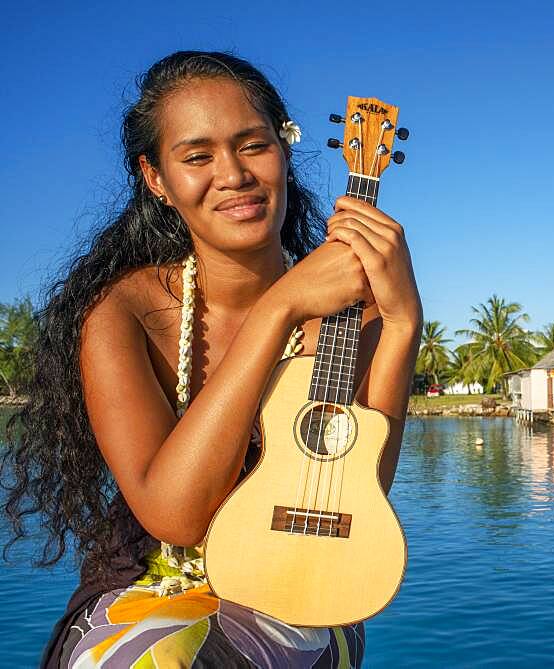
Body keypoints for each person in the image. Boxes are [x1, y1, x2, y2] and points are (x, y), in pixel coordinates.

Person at [1, 51, 421, 667]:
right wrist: (277, 310)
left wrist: (405, 323)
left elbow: (356, 501)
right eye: (197, 157)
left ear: (283, 149)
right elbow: (175, 515)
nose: (233, 174)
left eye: (253, 145)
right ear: (156, 179)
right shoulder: (124, 313)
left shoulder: (352, 317)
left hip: (303, 586)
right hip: (154, 587)